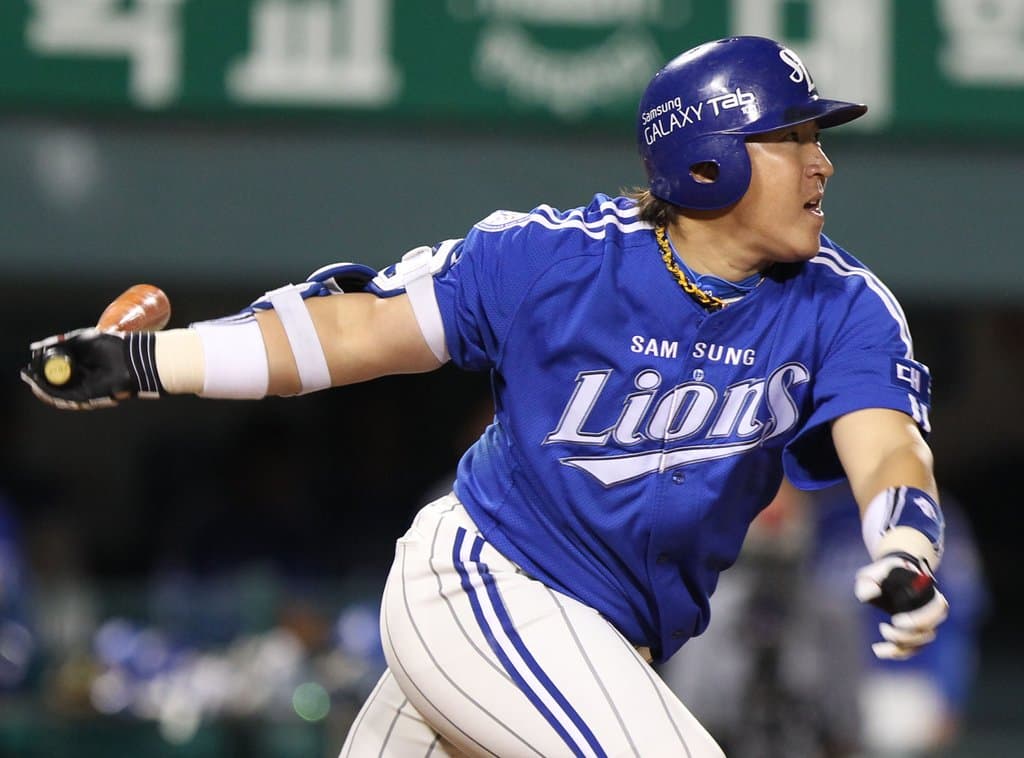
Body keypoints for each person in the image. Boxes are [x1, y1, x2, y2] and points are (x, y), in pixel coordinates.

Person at [21, 36, 950, 757]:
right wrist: (152, 363)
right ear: (709, 162)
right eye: (792, 137)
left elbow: (889, 444)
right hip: (486, 586)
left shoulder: (843, 304)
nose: (822, 163)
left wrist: (903, 541)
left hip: (601, 642)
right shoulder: (555, 258)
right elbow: (355, 332)